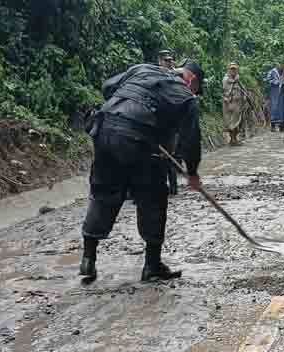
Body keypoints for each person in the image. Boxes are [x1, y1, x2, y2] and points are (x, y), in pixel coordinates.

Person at [79, 60, 205, 285]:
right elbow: (191, 140)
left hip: (105, 131)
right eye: (196, 89)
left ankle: (88, 259)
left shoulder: (142, 69)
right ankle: (152, 266)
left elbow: (108, 87)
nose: (195, 93)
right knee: (153, 198)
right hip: (139, 141)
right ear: (192, 80)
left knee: (103, 193)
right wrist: (193, 173)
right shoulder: (186, 97)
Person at [222, 62, 246, 145]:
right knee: (231, 122)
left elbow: (242, 89)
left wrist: (244, 97)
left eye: (234, 69)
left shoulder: (237, 79)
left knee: (237, 121)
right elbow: (225, 91)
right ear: (229, 70)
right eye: (231, 69)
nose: (233, 71)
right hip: (229, 103)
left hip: (237, 103)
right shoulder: (226, 79)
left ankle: (234, 139)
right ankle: (232, 139)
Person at [267, 63, 284, 132]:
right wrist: (277, 82)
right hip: (276, 93)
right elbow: (268, 80)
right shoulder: (272, 72)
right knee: (275, 109)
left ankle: (282, 126)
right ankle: (273, 126)